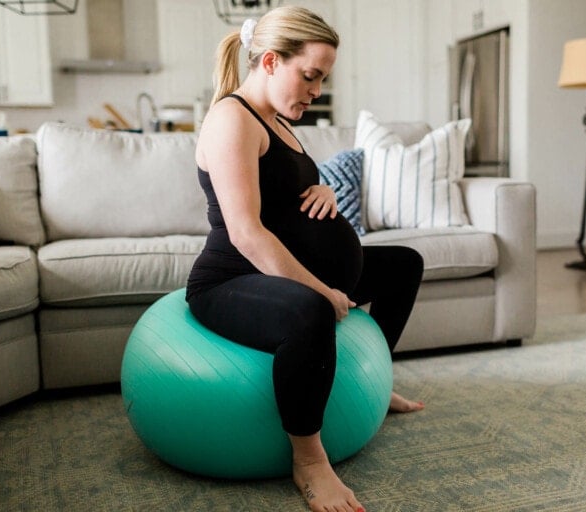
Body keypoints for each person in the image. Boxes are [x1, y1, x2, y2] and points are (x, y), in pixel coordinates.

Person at [186, 6, 424, 512]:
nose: (317, 91)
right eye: (310, 76)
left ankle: (376, 384)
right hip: (231, 280)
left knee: (404, 264)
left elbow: (285, 193)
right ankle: (310, 461)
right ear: (270, 61)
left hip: (286, 270)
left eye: (323, 79)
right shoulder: (232, 119)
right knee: (308, 311)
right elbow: (247, 233)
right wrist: (323, 291)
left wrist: (325, 191)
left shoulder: (278, 120)